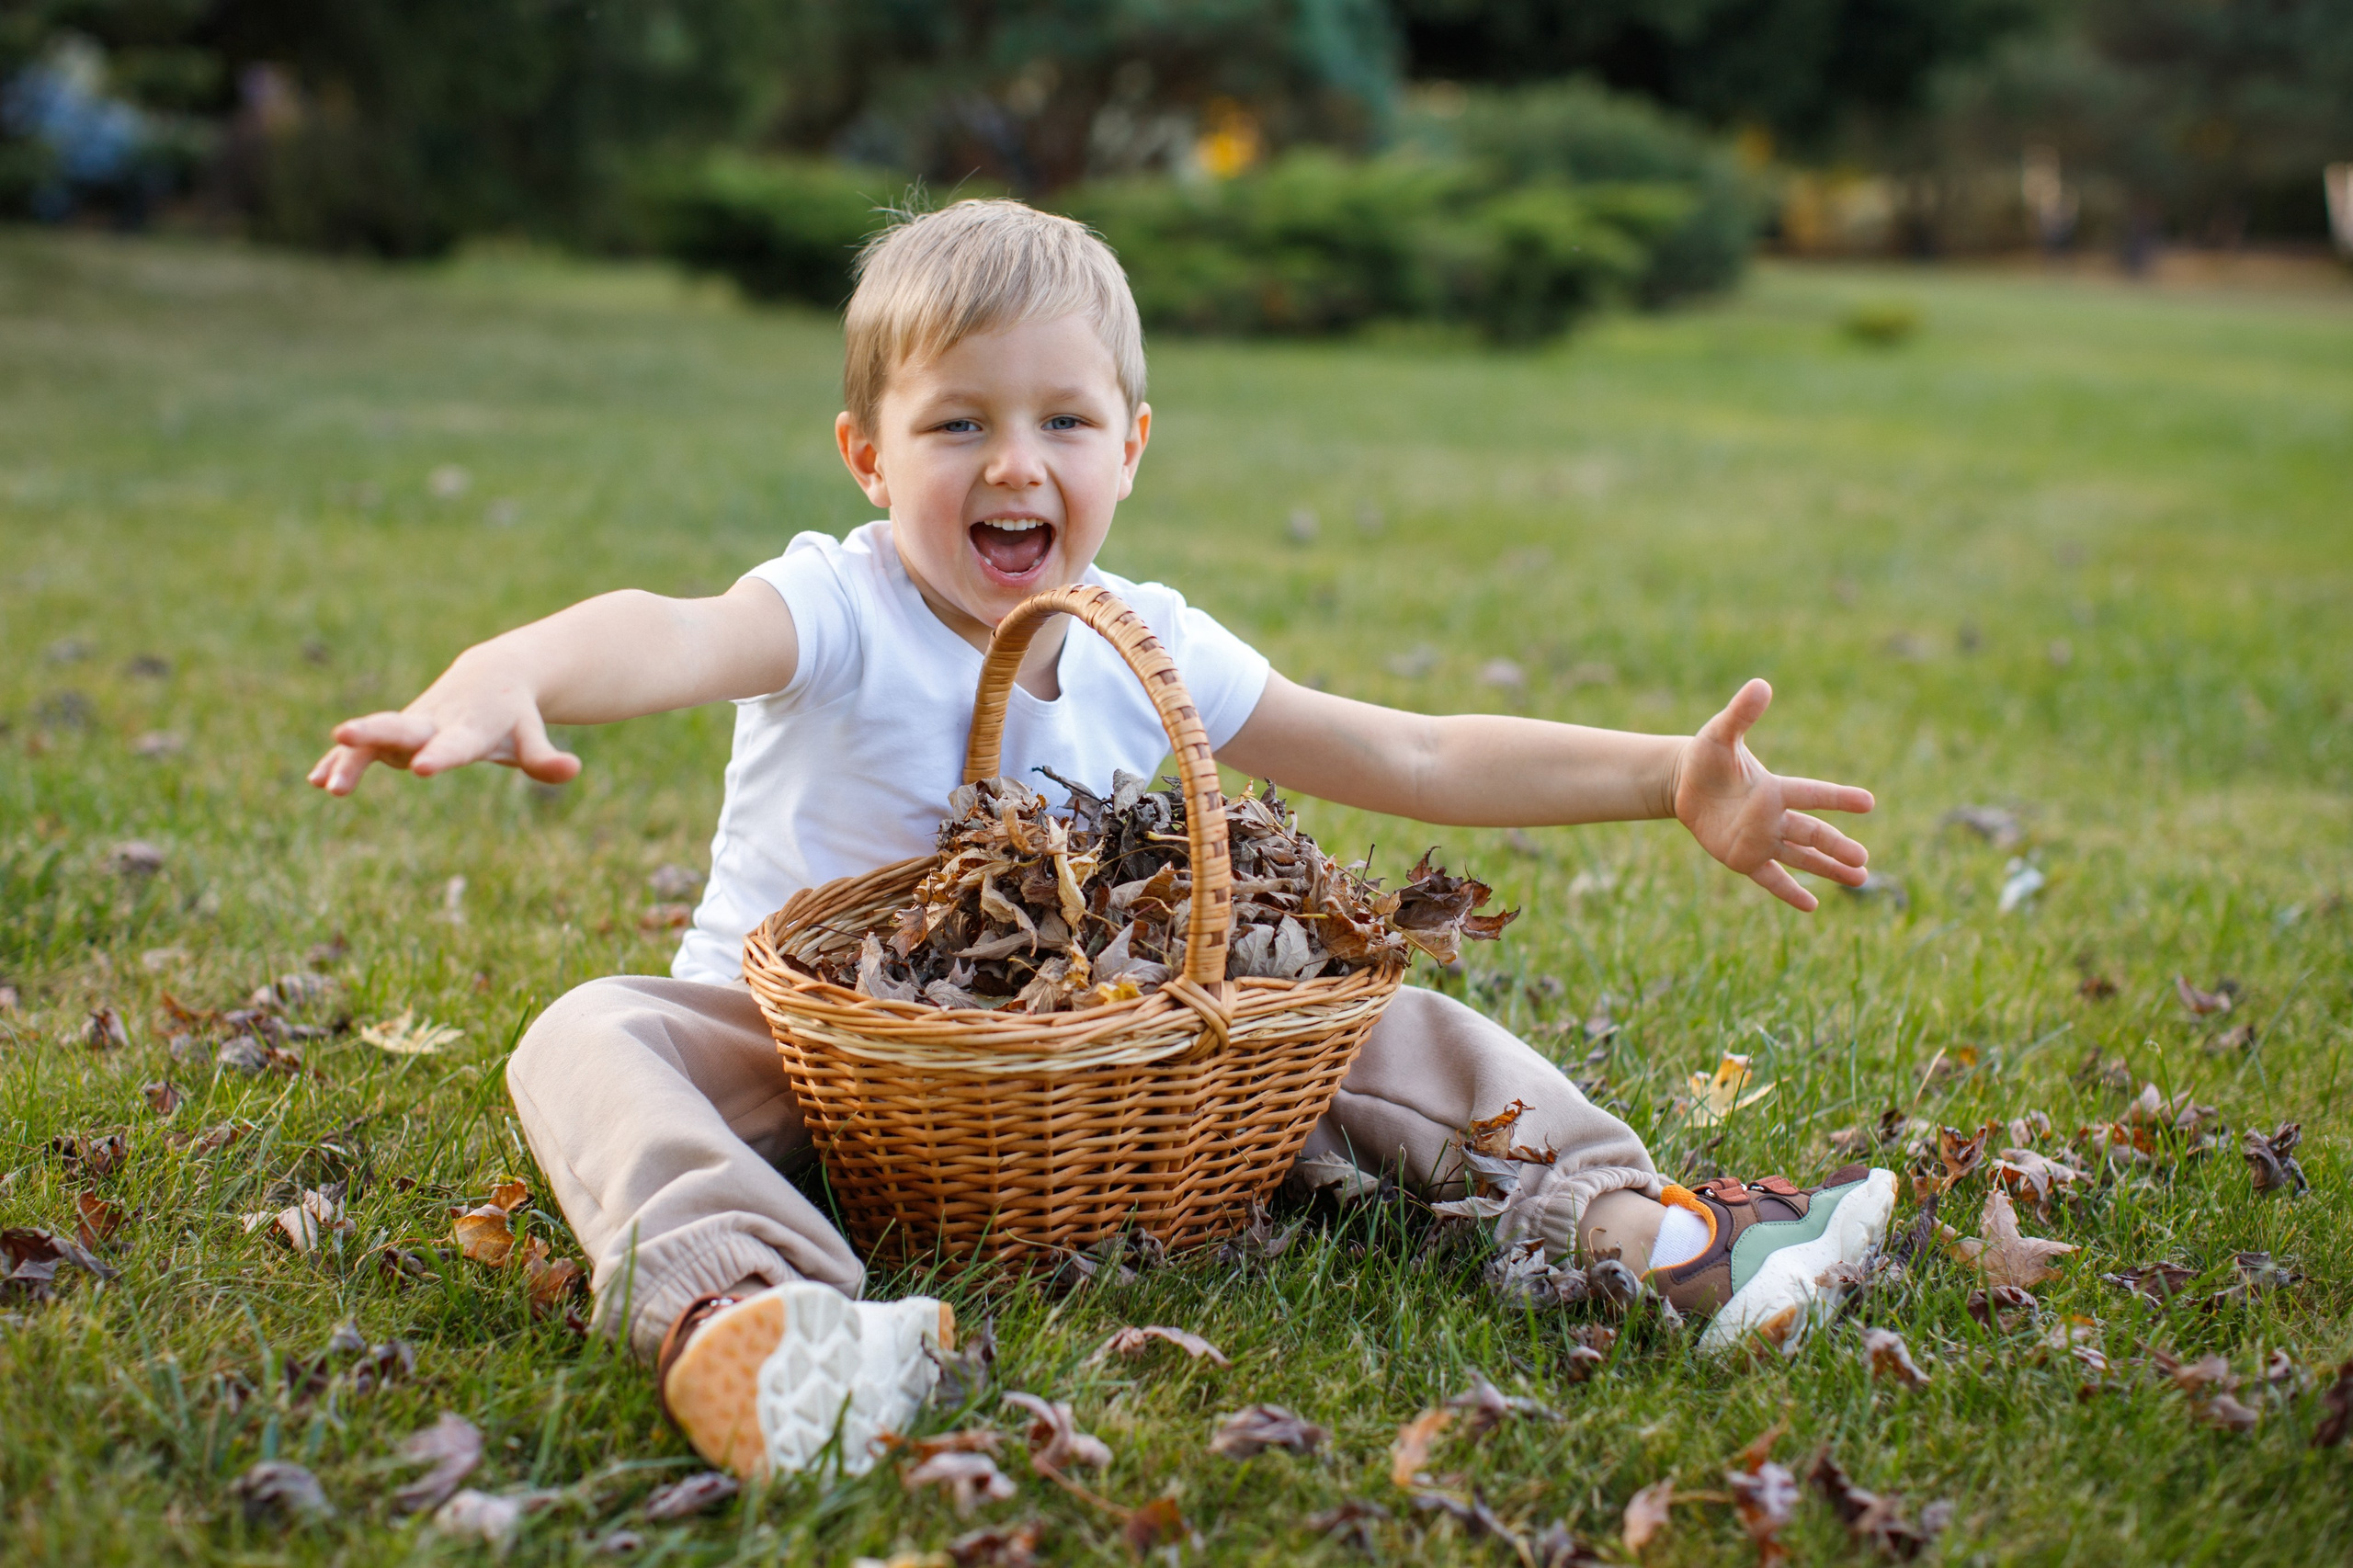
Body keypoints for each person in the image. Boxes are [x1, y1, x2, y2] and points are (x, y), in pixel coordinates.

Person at [310, 199, 1893, 1481]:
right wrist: (506, 671)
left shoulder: (1151, 641)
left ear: (1130, 446)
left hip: (1089, 1074)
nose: (1016, 461)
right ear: (869, 456)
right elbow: (665, 630)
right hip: (811, 1058)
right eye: (958, 422)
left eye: (1063, 418)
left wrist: (1664, 778)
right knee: (588, 1033)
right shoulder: (840, 605)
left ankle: (1650, 1240)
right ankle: (755, 1317)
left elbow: (1407, 749)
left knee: (1369, 1021)